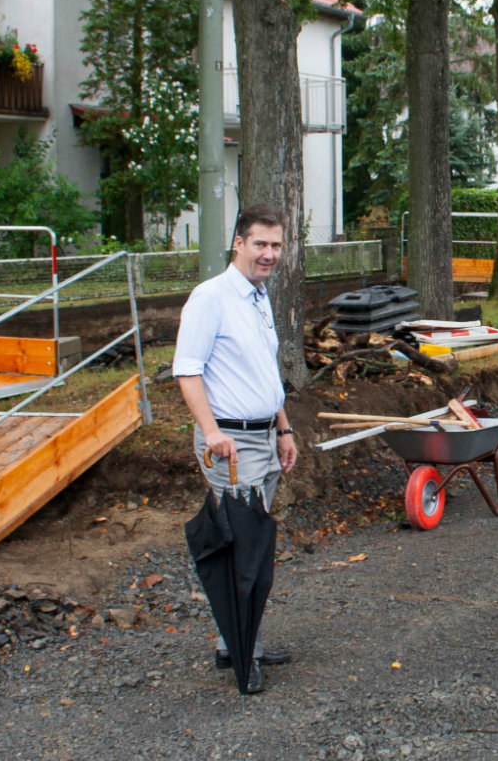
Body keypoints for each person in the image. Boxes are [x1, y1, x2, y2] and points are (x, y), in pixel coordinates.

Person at [172, 203, 298, 694]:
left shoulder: (259, 296)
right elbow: (187, 369)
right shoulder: (212, 298)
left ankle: (238, 644)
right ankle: (245, 655)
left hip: (264, 436)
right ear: (238, 244)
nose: (269, 254)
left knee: (255, 547)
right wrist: (211, 432)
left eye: (276, 245)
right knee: (245, 550)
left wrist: (284, 428)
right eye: (260, 244)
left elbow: (267, 373)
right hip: (229, 442)